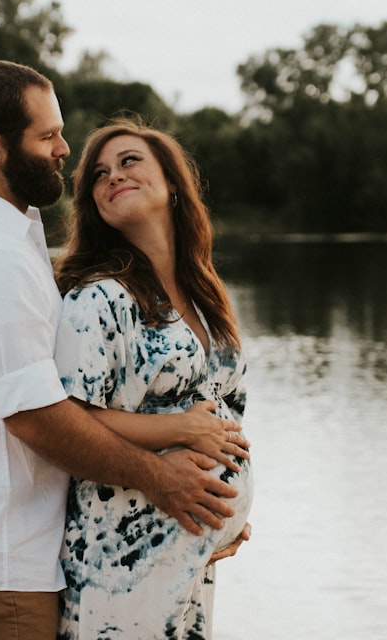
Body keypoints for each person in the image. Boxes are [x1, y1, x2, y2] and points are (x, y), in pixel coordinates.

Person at [0, 60, 248, 639]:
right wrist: (164, 480)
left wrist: (218, 511)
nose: (63, 148)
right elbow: (39, 418)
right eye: (47, 134)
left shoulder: (2, 238)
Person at [52, 119, 254, 639]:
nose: (113, 176)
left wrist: (229, 514)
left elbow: (228, 414)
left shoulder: (206, 294)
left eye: (128, 161)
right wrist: (180, 431)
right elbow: (71, 417)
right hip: (122, 553)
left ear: (171, 181)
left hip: (191, 546)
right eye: (98, 174)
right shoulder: (98, 299)